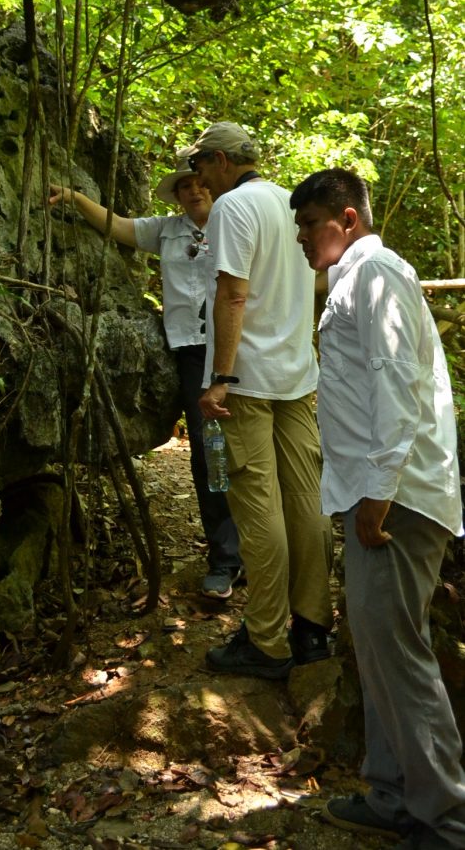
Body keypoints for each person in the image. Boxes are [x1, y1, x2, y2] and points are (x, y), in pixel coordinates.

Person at [291, 168, 465, 850]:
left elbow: (399, 380)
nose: (303, 237)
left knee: (400, 655)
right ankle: (395, 794)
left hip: (396, 500)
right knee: (379, 652)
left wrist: (380, 490)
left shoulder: (377, 275)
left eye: (311, 224)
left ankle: (445, 819)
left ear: (348, 220)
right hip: (377, 493)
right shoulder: (352, 280)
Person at [49, 150, 242, 598]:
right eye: (184, 186)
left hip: (236, 349)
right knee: (209, 454)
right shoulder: (167, 230)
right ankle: (226, 557)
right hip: (193, 355)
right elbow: (118, 225)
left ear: (215, 182)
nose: (193, 190)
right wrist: (76, 197)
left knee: (247, 452)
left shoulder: (236, 224)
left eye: (199, 182)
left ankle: (258, 549)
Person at [188, 121, 333, 679]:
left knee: (258, 508)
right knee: (306, 499)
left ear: (223, 161)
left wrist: (221, 375)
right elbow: (309, 284)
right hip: (297, 377)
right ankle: (313, 628)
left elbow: (233, 292)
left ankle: (268, 640)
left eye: (201, 164)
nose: (197, 176)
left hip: (246, 384)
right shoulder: (288, 204)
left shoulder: (233, 209)